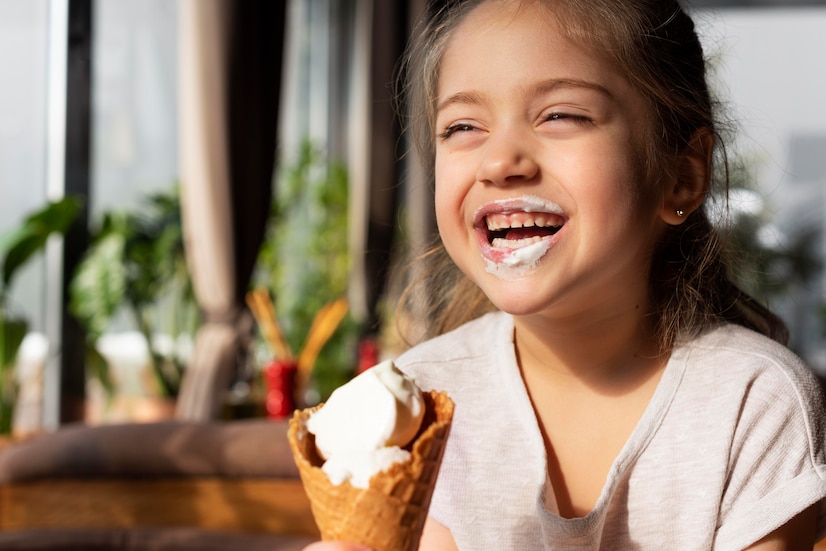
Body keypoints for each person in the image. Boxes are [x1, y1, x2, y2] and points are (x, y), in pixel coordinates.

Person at [307, 0, 826, 548]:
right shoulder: (418, 401)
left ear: (680, 175)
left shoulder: (753, 402)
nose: (499, 160)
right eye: (462, 126)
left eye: (561, 115)